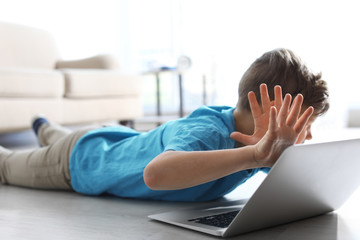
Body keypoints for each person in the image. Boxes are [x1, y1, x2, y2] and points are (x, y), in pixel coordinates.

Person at [0, 48, 329, 202]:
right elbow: (155, 174)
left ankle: (46, 127)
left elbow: (301, 189)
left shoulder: (260, 143)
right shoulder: (209, 132)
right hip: (78, 164)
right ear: (269, 111)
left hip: (111, 140)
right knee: (8, 165)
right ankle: (48, 133)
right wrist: (255, 156)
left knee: (65, 136)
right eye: (304, 121)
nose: (309, 134)